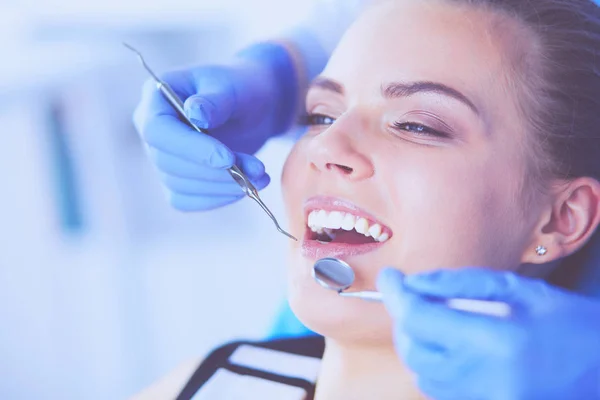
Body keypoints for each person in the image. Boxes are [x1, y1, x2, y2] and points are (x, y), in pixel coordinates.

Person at [132, 0, 600, 399]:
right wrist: (286, 63)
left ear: (561, 218)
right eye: (319, 115)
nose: (325, 146)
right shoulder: (209, 381)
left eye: (417, 125)